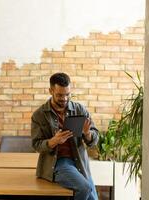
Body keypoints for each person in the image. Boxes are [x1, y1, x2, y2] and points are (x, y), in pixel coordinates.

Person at [31, 72, 99, 200]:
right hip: (58, 163)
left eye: (67, 94)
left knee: (92, 198)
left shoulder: (80, 110)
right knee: (84, 188)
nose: (65, 99)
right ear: (51, 91)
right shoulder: (39, 115)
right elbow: (36, 145)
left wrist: (87, 133)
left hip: (80, 161)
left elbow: (94, 140)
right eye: (60, 95)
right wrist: (53, 141)